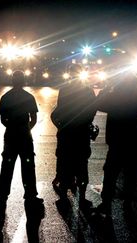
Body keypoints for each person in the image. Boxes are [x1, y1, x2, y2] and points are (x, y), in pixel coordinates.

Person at [95, 73, 137, 217]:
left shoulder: (114, 93)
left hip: (116, 139)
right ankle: (127, 203)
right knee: (131, 173)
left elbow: (98, 103)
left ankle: (106, 202)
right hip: (134, 139)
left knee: (110, 173)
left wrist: (106, 89)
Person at [0, 69, 43, 214]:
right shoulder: (28, 97)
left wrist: (11, 127)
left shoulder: (6, 97)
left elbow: (3, 119)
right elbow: (33, 118)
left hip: (10, 135)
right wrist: (27, 129)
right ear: (23, 81)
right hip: (24, 136)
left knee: (7, 165)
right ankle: (30, 194)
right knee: (28, 165)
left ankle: (2, 193)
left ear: (12, 81)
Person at [51, 63, 97, 210]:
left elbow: (60, 110)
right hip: (82, 133)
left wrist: (60, 124)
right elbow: (92, 111)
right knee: (82, 165)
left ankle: (64, 196)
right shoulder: (89, 91)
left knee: (65, 164)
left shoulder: (64, 90)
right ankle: (82, 197)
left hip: (67, 132)